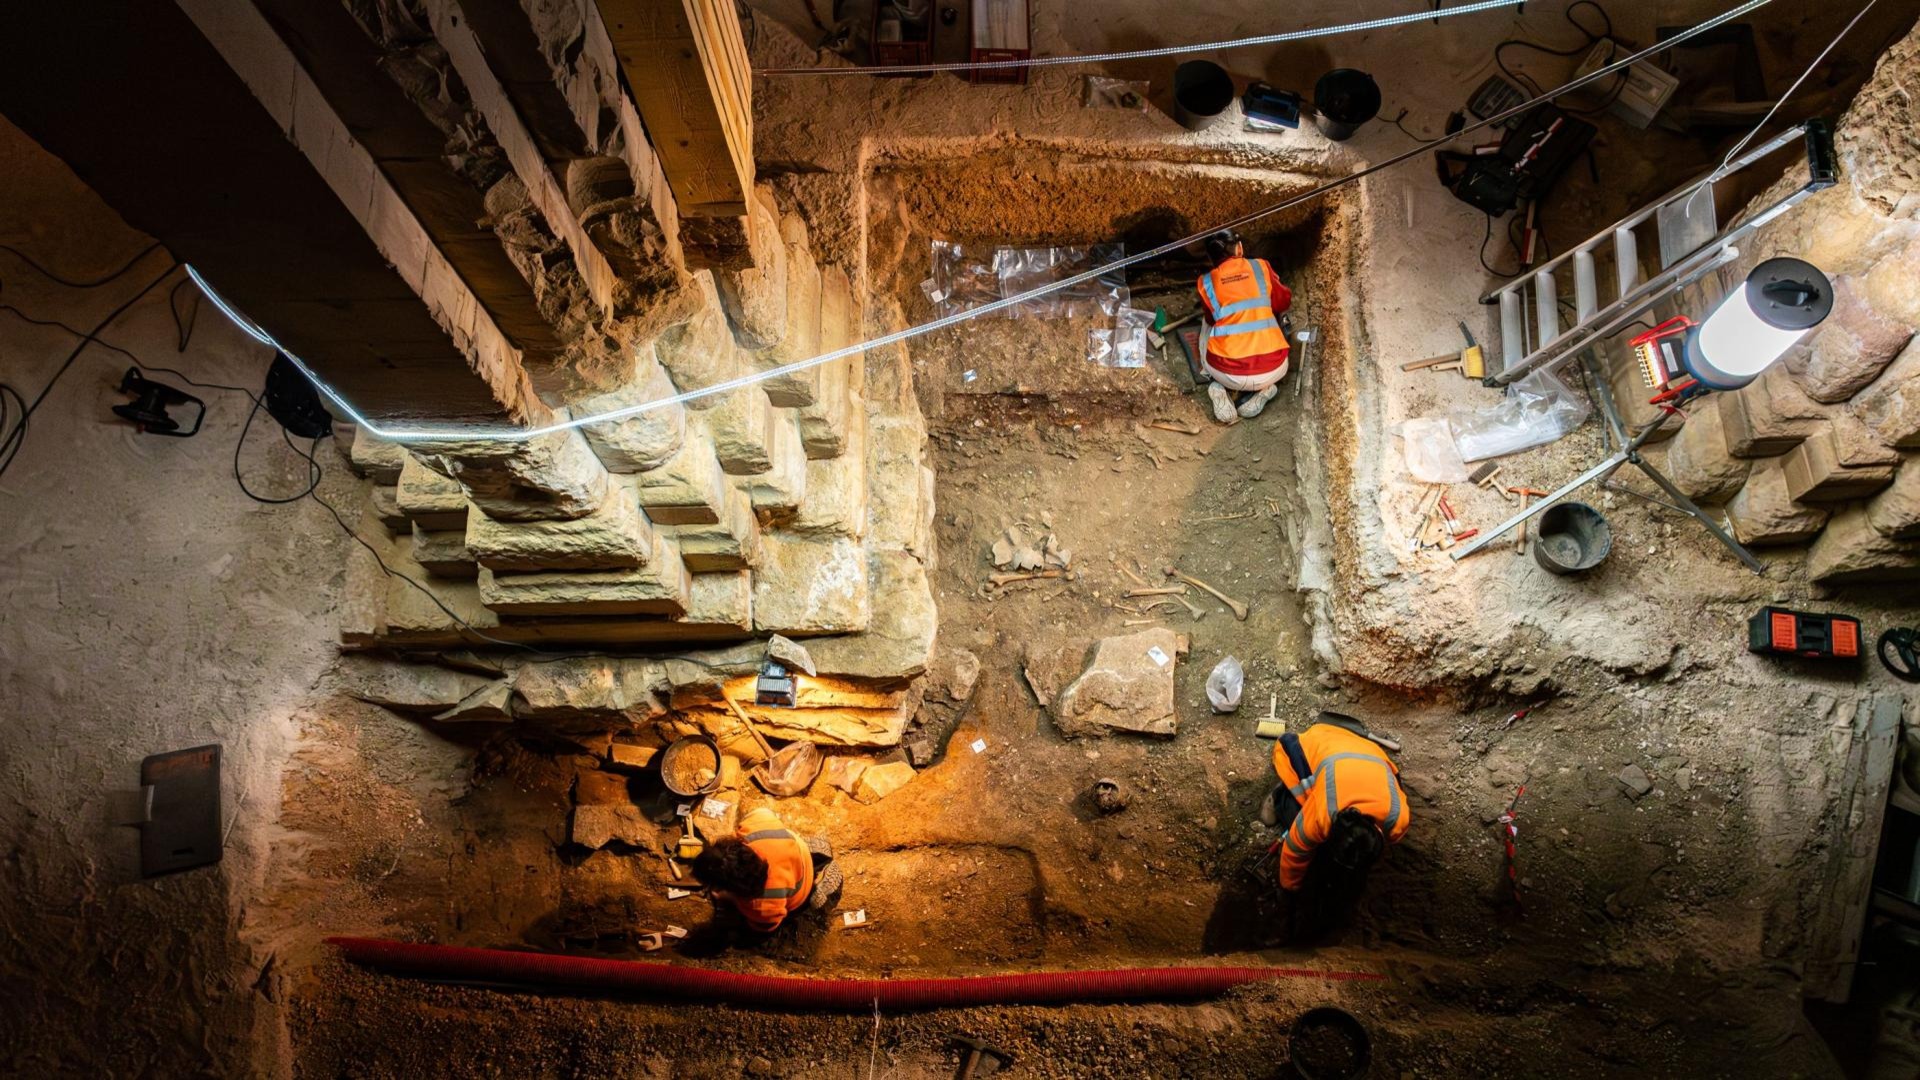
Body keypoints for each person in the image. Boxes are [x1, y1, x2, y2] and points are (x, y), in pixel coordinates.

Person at [1259, 715, 1408, 899]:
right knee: (1294, 817)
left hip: (1361, 748)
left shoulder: (1396, 819)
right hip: (1313, 745)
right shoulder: (1324, 813)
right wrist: (1290, 888)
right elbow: (1295, 850)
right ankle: (1280, 795)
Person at [690, 807, 842, 933]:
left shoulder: (762, 905)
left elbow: (767, 926)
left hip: (800, 888)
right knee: (791, 848)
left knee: (751, 929)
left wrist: (730, 899)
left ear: (733, 888)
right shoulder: (755, 829)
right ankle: (813, 853)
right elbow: (761, 812)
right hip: (795, 851)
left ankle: (819, 887)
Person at [1195, 230, 1293, 425]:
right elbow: (1283, 303)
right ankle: (1264, 390)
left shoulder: (1205, 282)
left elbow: (1211, 318)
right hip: (1275, 367)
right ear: (1239, 248)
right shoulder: (1261, 266)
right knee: (1271, 314)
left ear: (1210, 257)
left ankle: (1216, 384)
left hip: (1228, 374)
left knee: (1207, 324)